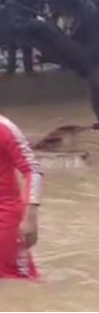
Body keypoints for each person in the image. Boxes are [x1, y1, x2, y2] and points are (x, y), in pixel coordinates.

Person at [0, 115, 43, 280]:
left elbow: (33, 170)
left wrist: (30, 215)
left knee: (18, 280)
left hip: (4, 217)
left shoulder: (4, 128)